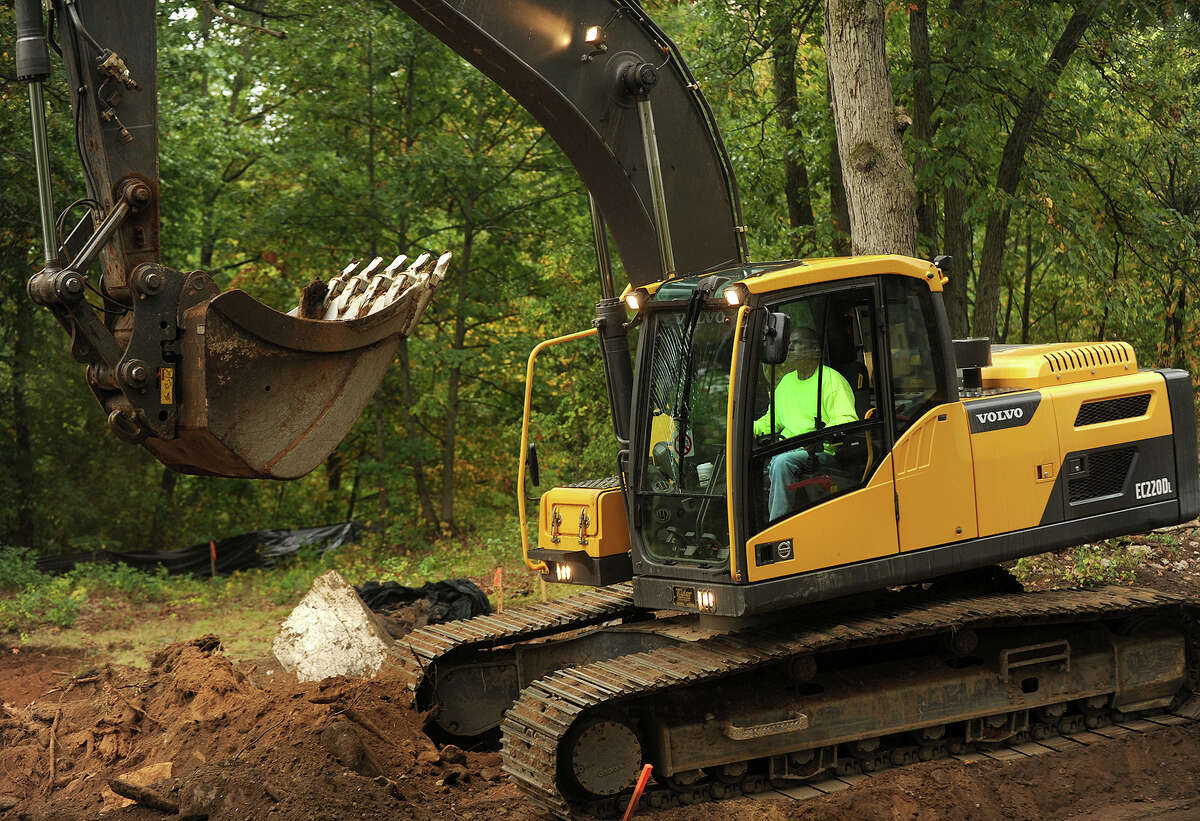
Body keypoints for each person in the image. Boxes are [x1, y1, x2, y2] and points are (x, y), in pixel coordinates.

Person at [754, 327, 858, 520]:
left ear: (814, 349)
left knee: (782, 463)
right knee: (750, 463)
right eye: (789, 343)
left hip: (820, 453)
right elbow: (771, 420)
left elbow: (847, 420)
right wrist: (744, 432)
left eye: (797, 343)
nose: (790, 347)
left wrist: (818, 437)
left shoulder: (831, 380)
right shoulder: (786, 383)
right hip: (787, 449)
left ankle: (776, 526)